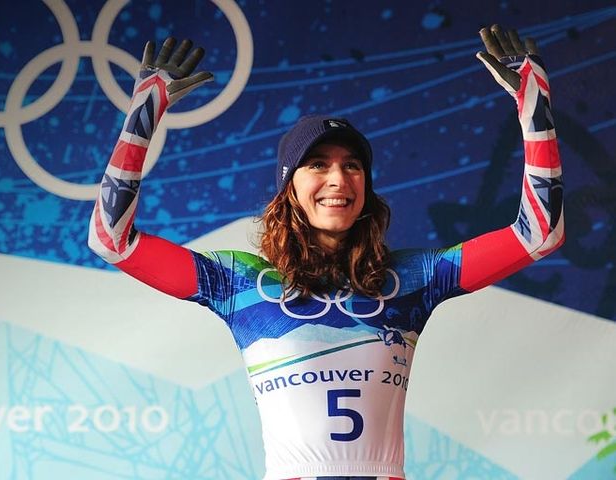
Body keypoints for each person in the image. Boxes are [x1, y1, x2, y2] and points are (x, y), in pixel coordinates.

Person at [88, 25, 563, 480]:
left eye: (352, 166)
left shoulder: (416, 277)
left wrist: (533, 103)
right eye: (317, 164)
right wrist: (145, 109)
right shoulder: (238, 283)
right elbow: (111, 239)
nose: (338, 179)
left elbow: (538, 234)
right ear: (288, 188)